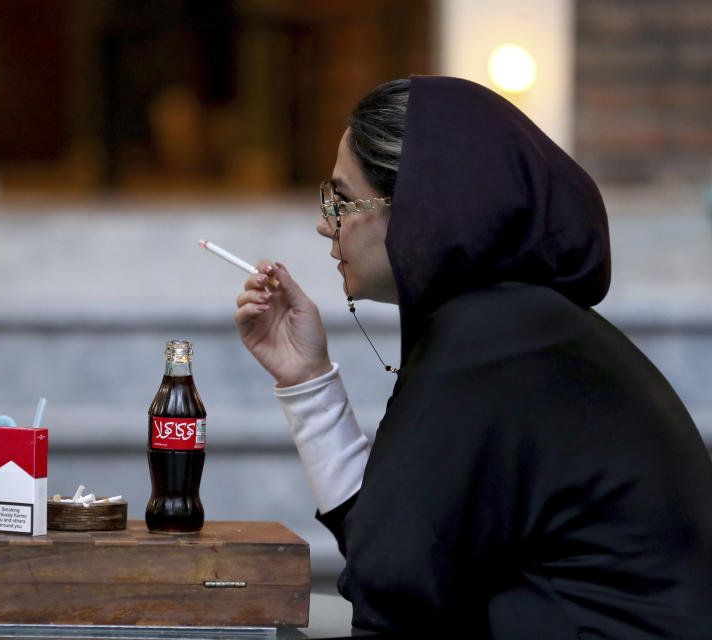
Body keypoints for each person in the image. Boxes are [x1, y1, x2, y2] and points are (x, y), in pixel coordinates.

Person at [234, 76, 712, 638]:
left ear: (419, 208)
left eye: (340, 199)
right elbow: (395, 552)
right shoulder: (514, 322)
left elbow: (389, 584)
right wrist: (306, 379)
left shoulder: (492, 334)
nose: (323, 223)